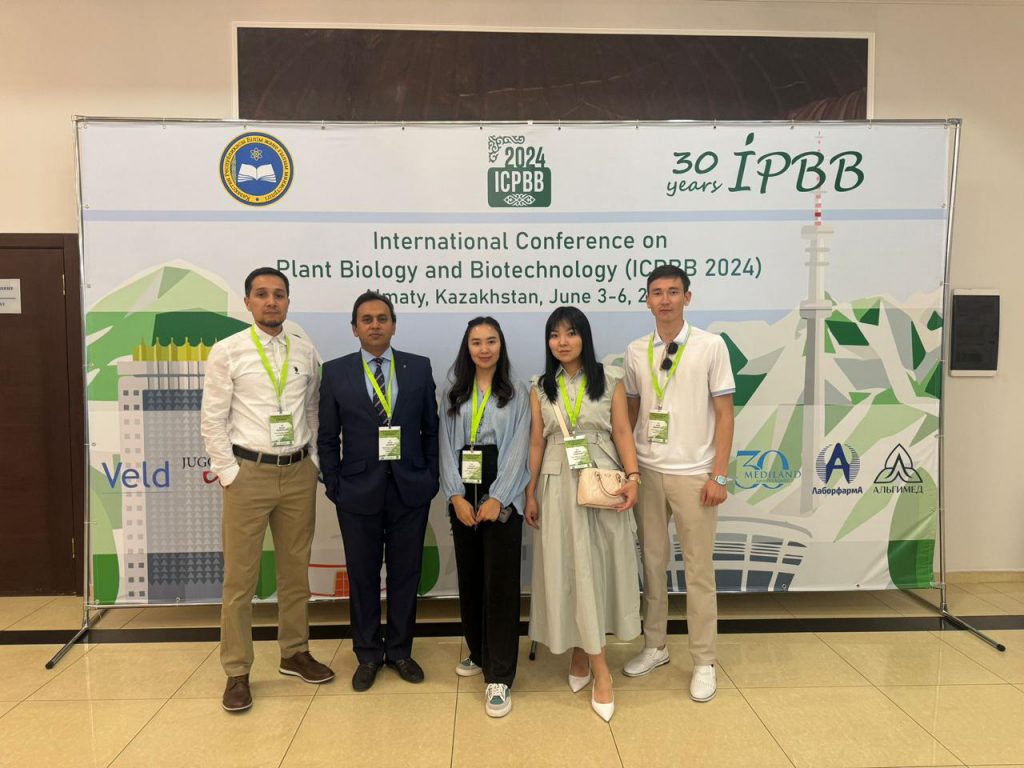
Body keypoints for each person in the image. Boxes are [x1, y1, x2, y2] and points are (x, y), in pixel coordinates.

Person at [200, 266, 335, 713]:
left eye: (279, 294)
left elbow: (312, 409)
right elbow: (212, 419)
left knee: (295, 573)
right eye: (262, 294)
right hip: (249, 474)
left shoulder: (304, 350)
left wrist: (313, 461)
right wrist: (229, 472)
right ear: (247, 302)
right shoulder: (228, 351)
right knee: (240, 580)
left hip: (297, 474)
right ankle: (237, 671)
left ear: (288, 301)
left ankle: (294, 652)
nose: (271, 301)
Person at [622, 264, 735, 703]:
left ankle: (704, 660)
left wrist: (718, 474)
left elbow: (725, 414)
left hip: (695, 476)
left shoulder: (710, 346)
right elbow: (631, 413)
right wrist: (627, 467)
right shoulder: (636, 351)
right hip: (648, 472)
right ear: (647, 300)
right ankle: (656, 646)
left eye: (673, 292)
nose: (664, 299)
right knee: (651, 565)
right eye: (657, 292)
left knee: (698, 571)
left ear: (688, 298)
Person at [317, 290, 440, 692]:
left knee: (406, 574)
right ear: (354, 328)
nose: (375, 325)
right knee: (363, 576)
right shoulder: (335, 372)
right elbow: (327, 436)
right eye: (366, 319)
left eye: (382, 318)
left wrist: (431, 478)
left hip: (410, 490)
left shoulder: (418, 368)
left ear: (393, 325)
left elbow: (431, 429)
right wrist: (334, 484)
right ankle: (368, 654)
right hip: (356, 492)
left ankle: (401, 651)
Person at [525, 306, 641, 722]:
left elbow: (623, 431)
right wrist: (530, 491)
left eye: (571, 333)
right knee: (570, 567)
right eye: (555, 334)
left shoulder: (610, 379)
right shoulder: (540, 386)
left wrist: (634, 477)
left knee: (598, 567)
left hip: (602, 479)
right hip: (557, 483)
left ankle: (595, 664)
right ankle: (587, 655)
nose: (562, 341)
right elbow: (536, 442)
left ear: (584, 338)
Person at [439, 317, 530, 718]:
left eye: (491, 341)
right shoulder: (453, 391)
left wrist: (500, 497)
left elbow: (518, 449)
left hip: (500, 486)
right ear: (467, 348)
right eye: (476, 342)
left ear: (501, 345)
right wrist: (455, 495)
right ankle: (478, 652)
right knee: (471, 576)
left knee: (501, 583)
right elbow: (444, 445)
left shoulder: (517, 391)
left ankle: (499, 675)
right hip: (463, 483)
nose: (484, 349)